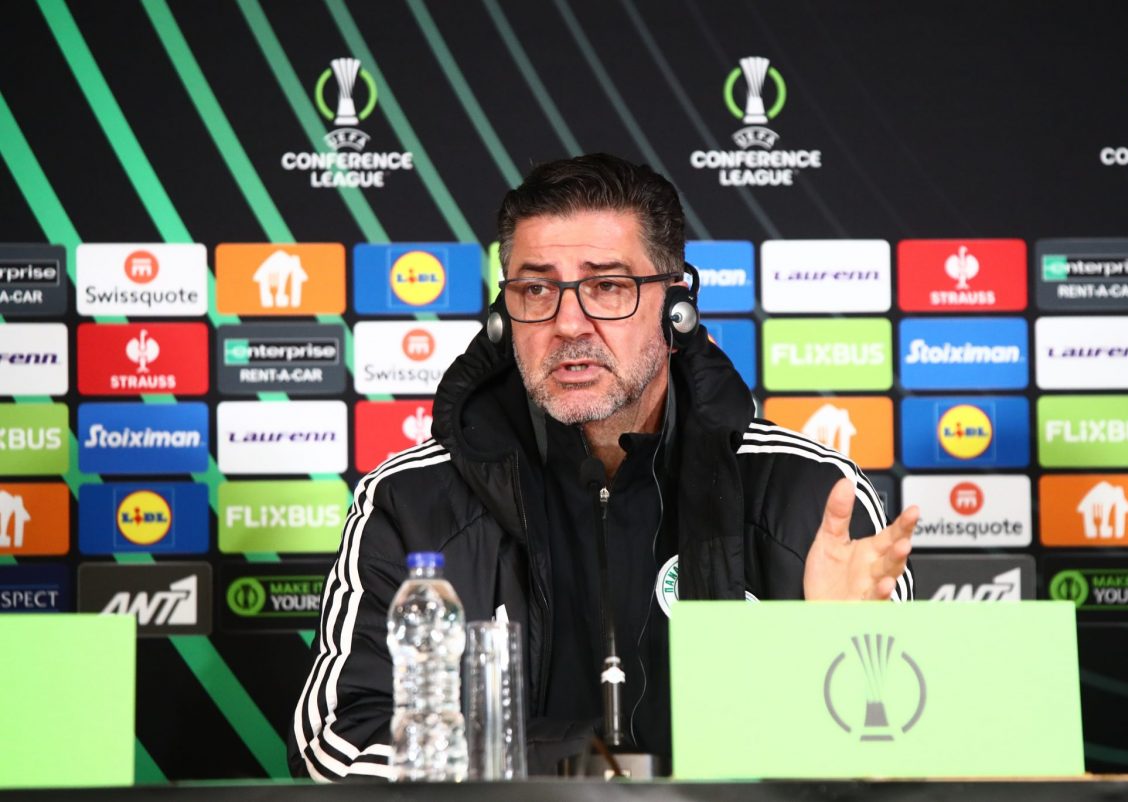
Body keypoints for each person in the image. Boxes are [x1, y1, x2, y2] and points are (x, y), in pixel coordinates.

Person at [289, 153, 916, 781]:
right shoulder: (411, 501)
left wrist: (839, 657)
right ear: (504, 316)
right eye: (536, 289)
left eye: (608, 286)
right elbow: (337, 743)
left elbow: (901, 754)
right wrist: (583, 770)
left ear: (676, 307)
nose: (568, 324)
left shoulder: (809, 497)